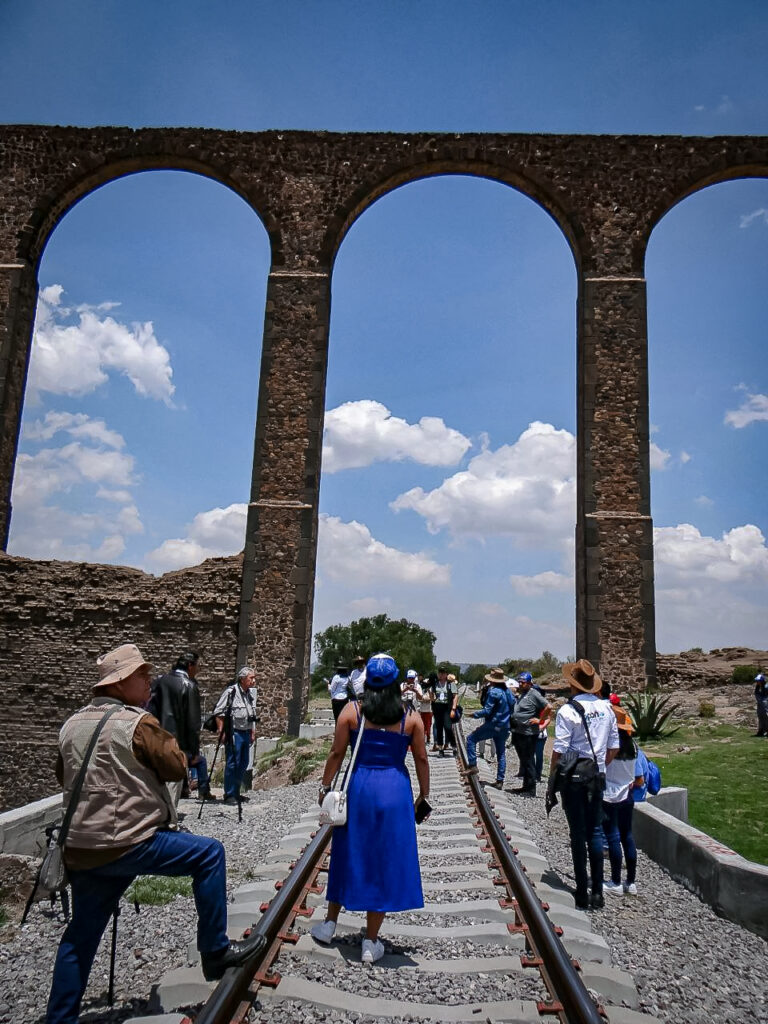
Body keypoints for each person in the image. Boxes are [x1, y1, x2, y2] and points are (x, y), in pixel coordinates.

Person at [46, 643, 266, 1023]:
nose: (149, 681)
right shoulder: (137, 722)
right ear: (119, 683)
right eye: (141, 676)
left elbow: (61, 774)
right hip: (129, 841)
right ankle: (214, 952)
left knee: (79, 937)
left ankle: (59, 1018)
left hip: (82, 848)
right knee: (209, 854)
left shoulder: (71, 724)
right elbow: (176, 765)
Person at [310, 653, 429, 964]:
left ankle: (329, 924)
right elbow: (421, 759)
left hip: (359, 786)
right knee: (383, 860)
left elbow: (337, 753)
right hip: (394, 790)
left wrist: (325, 787)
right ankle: (370, 941)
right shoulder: (410, 717)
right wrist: (424, 795)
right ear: (395, 683)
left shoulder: (352, 711)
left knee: (347, 851)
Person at [549, 659, 619, 910]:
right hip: (597, 778)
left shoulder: (568, 711)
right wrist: (599, 766)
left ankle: (581, 891)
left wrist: (552, 776)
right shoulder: (607, 709)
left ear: (572, 683)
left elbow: (560, 749)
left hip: (574, 779)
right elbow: (614, 746)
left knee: (578, 835)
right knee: (595, 833)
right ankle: (598, 893)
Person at [148, 650, 213, 803]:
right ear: (190, 666)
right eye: (197, 666)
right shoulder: (189, 686)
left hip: (157, 737)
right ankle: (169, 819)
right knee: (172, 783)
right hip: (178, 742)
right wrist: (195, 749)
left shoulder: (159, 681)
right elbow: (193, 722)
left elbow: (149, 710)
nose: (198, 670)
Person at [602, 705, 644, 897]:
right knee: (628, 835)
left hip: (610, 794)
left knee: (612, 836)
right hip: (627, 794)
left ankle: (616, 881)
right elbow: (639, 776)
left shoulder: (610, 745)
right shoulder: (633, 746)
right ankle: (631, 881)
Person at [214, 667, 259, 806]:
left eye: (253, 678)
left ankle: (236, 792)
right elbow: (219, 712)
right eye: (251, 678)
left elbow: (251, 714)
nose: (253, 681)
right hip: (234, 732)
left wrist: (252, 731)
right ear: (242, 679)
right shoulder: (231, 692)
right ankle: (229, 794)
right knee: (233, 763)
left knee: (243, 762)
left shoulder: (249, 694)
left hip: (245, 732)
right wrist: (222, 731)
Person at [463, 668, 513, 789]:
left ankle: (473, 765)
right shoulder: (508, 692)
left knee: (471, 739)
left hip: (493, 724)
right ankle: (500, 780)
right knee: (501, 753)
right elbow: (512, 707)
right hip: (505, 726)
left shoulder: (494, 692)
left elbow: (487, 710)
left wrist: (474, 714)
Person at [510, 672, 550, 795]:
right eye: (520, 682)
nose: (521, 684)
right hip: (518, 731)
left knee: (528, 760)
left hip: (528, 733)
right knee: (524, 760)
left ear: (529, 683)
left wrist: (540, 720)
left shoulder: (533, 694)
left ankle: (531, 788)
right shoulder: (523, 694)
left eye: (523, 682)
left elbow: (548, 707)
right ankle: (525, 786)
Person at [429, 666, 457, 756]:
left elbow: (455, 696)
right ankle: (440, 748)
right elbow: (432, 696)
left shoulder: (450, 684)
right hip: (437, 707)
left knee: (448, 727)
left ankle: (454, 746)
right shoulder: (435, 684)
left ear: (446, 674)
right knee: (439, 728)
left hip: (447, 707)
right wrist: (431, 696)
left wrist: (453, 708)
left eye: (443, 673)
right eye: (439, 672)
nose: (441, 674)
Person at [754, 673, 768, 737]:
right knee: (760, 716)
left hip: (765, 704)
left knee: (766, 716)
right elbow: (756, 694)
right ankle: (761, 730)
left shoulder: (766, 687)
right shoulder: (758, 687)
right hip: (760, 704)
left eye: (758, 681)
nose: (757, 682)